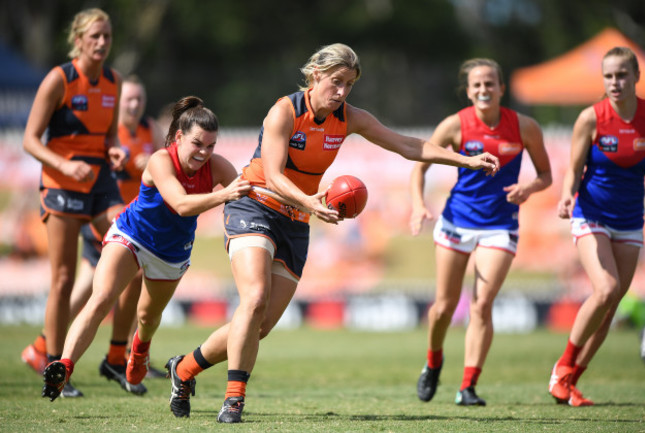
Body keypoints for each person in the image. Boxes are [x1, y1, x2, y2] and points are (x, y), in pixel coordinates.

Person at [159, 43, 500, 424]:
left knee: (262, 325)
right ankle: (234, 400)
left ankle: (185, 368)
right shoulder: (283, 112)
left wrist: (465, 159)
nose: (342, 92)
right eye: (336, 82)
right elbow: (272, 175)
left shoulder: (349, 118)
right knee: (253, 299)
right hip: (254, 204)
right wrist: (309, 201)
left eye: (349, 84)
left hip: (297, 219)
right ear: (316, 75)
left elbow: (406, 144)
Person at [41, 96, 251, 402]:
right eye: (197, 144)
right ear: (179, 137)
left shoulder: (217, 167)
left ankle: (139, 349)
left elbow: (250, 199)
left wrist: (297, 202)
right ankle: (64, 366)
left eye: (211, 146)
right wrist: (225, 196)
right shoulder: (160, 160)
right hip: (132, 235)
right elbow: (179, 204)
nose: (204, 153)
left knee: (148, 318)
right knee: (101, 298)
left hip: (171, 252)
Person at [411, 58, 552, 406]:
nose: (483, 90)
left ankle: (468, 386)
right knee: (443, 308)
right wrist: (417, 204)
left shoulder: (525, 127)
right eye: (477, 85)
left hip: (500, 227)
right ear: (468, 90)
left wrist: (529, 189)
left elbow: (546, 175)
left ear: (502, 88)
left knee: (482, 305)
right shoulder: (455, 125)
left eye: (490, 83)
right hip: (456, 222)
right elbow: (420, 166)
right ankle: (433, 362)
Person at [21, 8, 127, 398]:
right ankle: (51, 364)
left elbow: (110, 136)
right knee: (63, 279)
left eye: (107, 37)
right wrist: (65, 163)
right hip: (61, 183)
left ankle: (118, 357)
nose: (102, 43)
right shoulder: (59, 79)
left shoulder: (114, 82)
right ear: (78, 40)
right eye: (95, 36)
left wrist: (114, 151)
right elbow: (30, 140)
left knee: (131, 250)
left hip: (99, 182)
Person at [549, 46, 645, 407]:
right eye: (608, 76)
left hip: (630, 220)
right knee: (606, 288)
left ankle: (571, 381)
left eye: (622, 75)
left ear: (636, 77)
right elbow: (574, 168)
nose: (615, 82)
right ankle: (562, 367)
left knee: (611, 305)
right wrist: (565, 195)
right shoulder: (591, 118)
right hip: (590, 214)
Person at [74, 75, 167, 393]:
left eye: (139, 99)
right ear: (117, 101)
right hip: (109, 222)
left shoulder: (149, 129)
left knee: (102, 290)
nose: (134, 104)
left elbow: (163, 165)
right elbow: (92, 169)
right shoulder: (109, 132)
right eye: (128, 99)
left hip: (136, 225)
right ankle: (51, 352)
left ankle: (120, 354)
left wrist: (150, 165)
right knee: (85, 294)